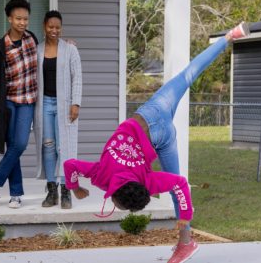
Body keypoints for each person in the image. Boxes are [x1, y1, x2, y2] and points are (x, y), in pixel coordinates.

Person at [63, 22, 250, 263]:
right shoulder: (101, 176)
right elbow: (70, 165)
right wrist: (74, 186)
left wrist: (184, 214)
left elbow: (180, 185)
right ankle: (228, 37)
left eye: (124, 208)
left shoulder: (144, 182)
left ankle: (186, 241)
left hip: (159, 128)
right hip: (152, 115)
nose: (125, 210)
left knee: (188, 76)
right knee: (189, 74)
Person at [0, 0, 39, 209]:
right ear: (9, 18)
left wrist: (66, 44)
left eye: (25, 18)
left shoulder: (32, 39)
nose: (22, 22)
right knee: (12, 146)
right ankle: (16, 193)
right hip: (8, 102)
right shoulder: (1, 46)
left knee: (20, 145)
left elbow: (48, 50)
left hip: (27, 101)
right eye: (18, 18)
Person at [33, 11, 82, 209]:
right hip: (44, 104)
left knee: (66, 146)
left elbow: (76, 77)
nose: (54, 30)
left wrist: (76, 103)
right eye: (50, 26)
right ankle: (51, 190)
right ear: (44, 26)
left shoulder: (70, 49)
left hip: (65, 104)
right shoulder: (37, 50)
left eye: (57, 27)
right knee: (48, 146)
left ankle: (66, 190)